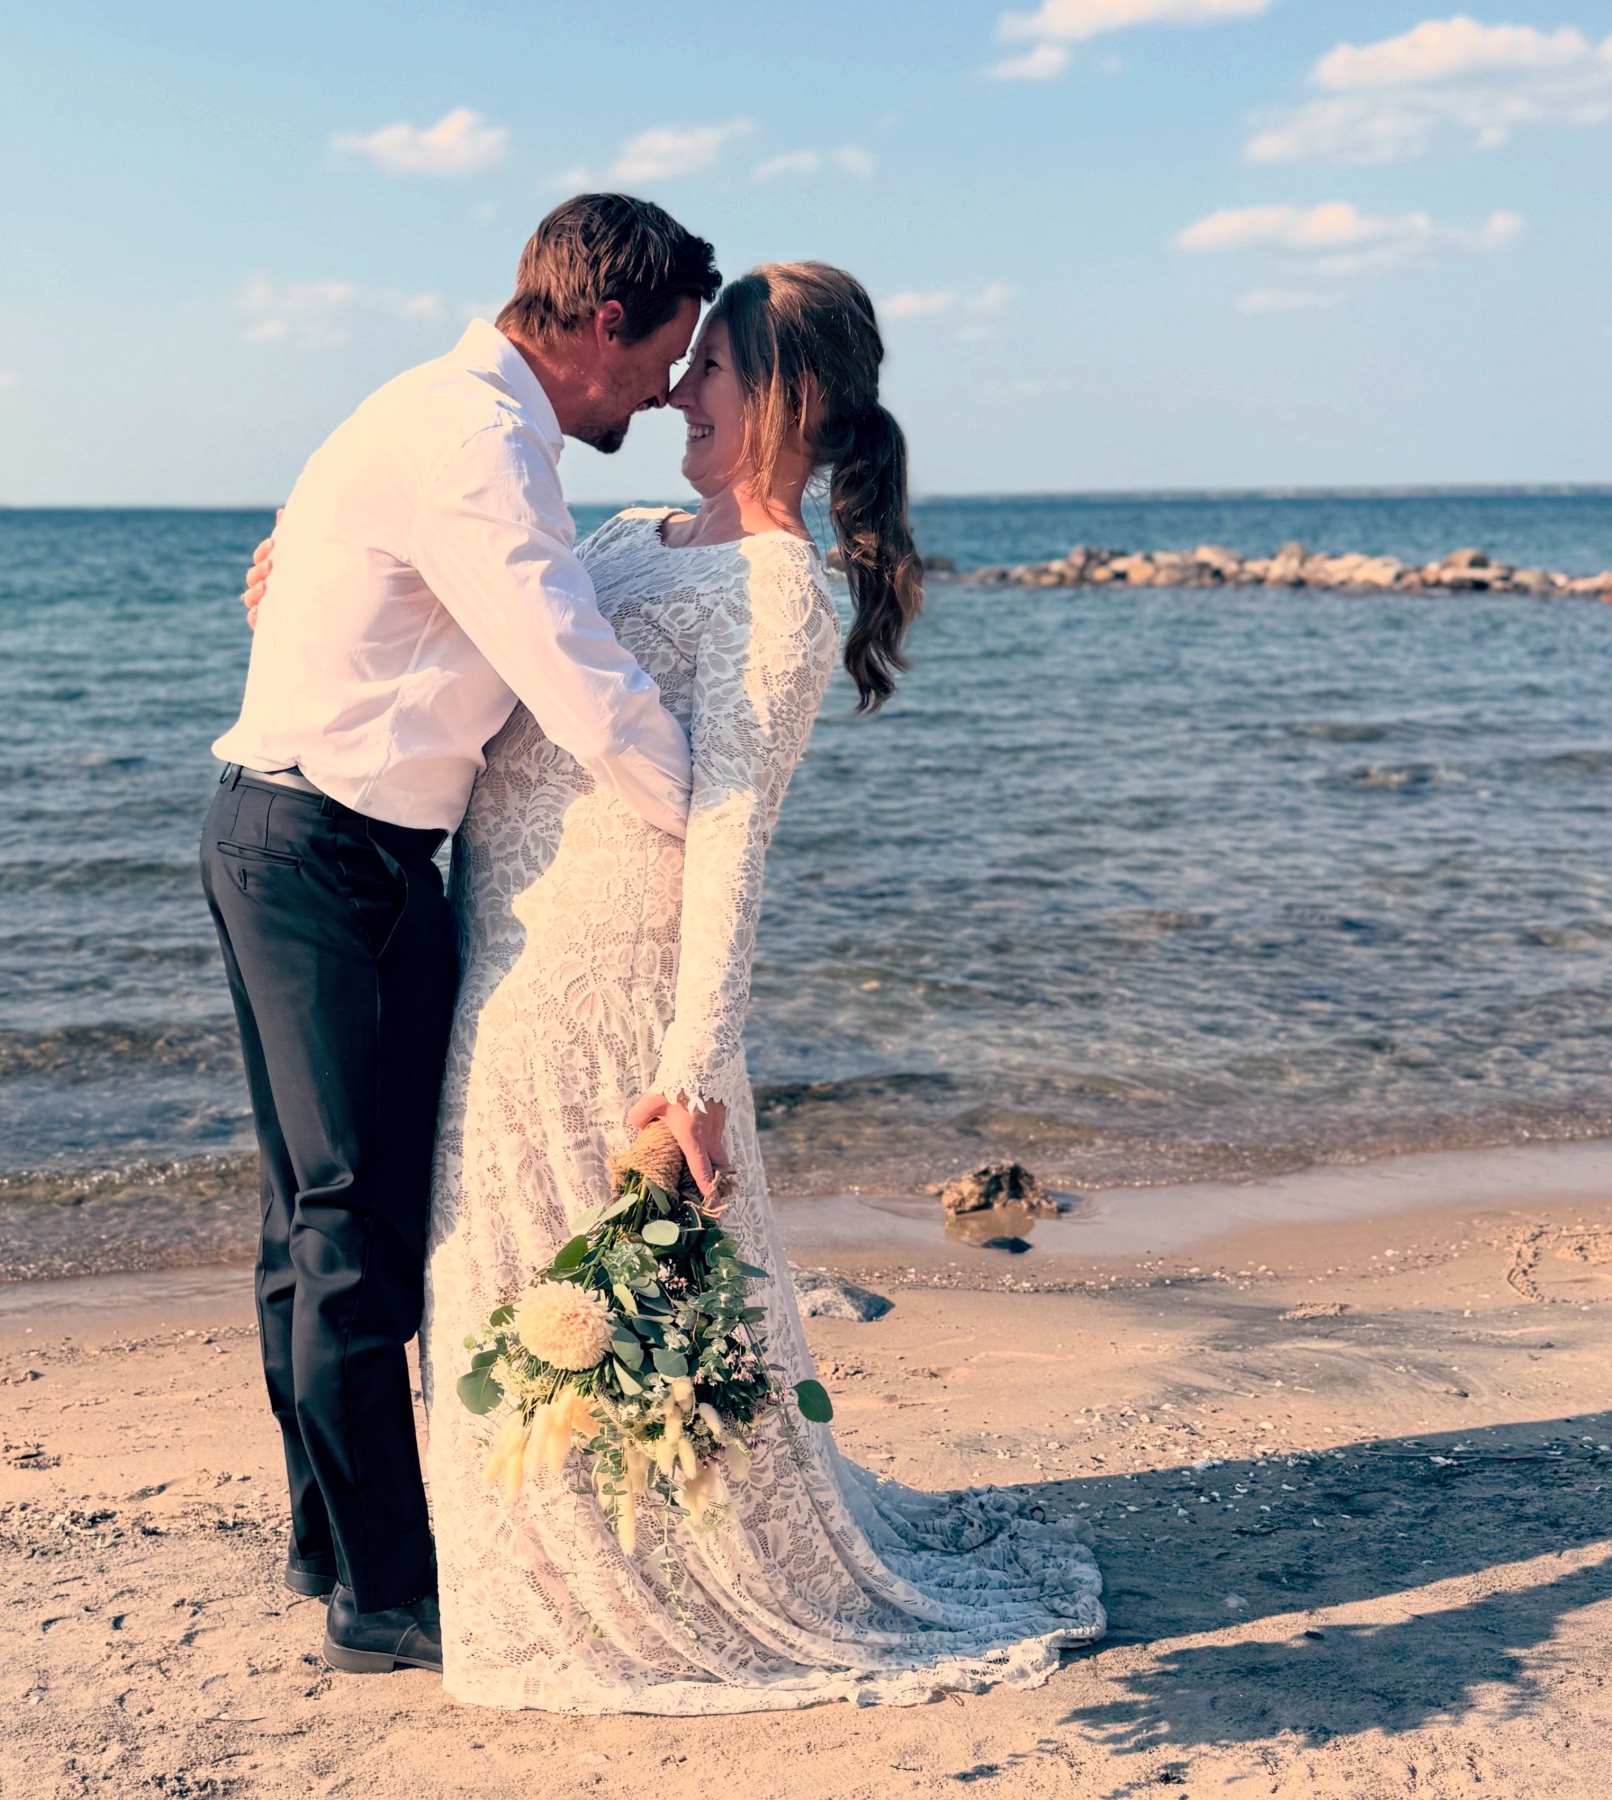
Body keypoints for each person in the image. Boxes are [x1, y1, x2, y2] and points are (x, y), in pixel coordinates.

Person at [248, 261, 1105, 1710]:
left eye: (708, 370)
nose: (675, 394)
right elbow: (483, 620)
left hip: (611, 983)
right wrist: (319, 576)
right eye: (683, 362)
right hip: (499, 953)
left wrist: (693, 1067)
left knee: (599, 1281)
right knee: (491, 1266)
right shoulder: (624, 530)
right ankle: (501, 1548)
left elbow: (730, 838)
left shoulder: (780, 594)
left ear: (786, 400)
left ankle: (633, 1560)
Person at [200, 194, 720, 1677]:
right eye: (670, 355)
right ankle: (384, 1597)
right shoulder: (477, 445)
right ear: (603, 325)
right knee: (346, 1237)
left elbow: (338, 593)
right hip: (324, 852)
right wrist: (715, 826)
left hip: (313, 841)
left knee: (316, 1230)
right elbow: (581, 678)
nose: (675, 388)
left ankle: (331, 1543)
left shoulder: (440, 417)